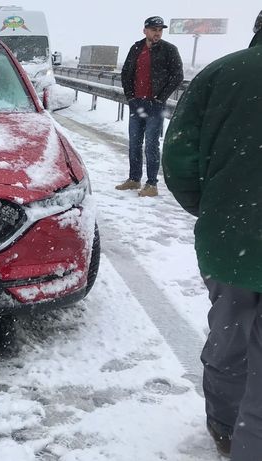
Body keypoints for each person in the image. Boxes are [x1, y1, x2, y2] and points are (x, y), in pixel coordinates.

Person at [162, 10, 262, 460]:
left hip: (231, 242)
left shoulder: (221, 73)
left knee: (229, 339)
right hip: (232, 233)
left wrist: (214, 209)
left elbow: (179, 157)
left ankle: (225, 427)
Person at [117, 16, 183, 197]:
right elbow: (125, 73)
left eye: (160, 30)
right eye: (154, 29)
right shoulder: (136, 48)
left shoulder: (169, 50)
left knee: (151, 145)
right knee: (134, 144)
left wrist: (160, 98)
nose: (157, 33)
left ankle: (152, 184)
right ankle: (134, 179)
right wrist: (130, 97)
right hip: (136, 103)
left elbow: (177, 75)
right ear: (145, 30)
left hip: (155, 105)